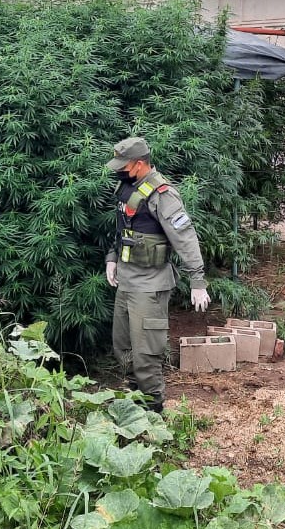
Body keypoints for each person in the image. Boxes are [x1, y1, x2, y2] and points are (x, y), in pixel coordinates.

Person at [104, 136, 211, 413]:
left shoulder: (162, 195)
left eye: (124, 166)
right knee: (123, 348)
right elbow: (122, 230)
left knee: (146, 355)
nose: (119, 171)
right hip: (126, 281)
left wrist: (197, 281)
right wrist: (112, 258)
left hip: (149, 286)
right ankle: (133, 407)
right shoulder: (128, 188)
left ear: (139, 164)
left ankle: (153, 413)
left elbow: (185, 237)